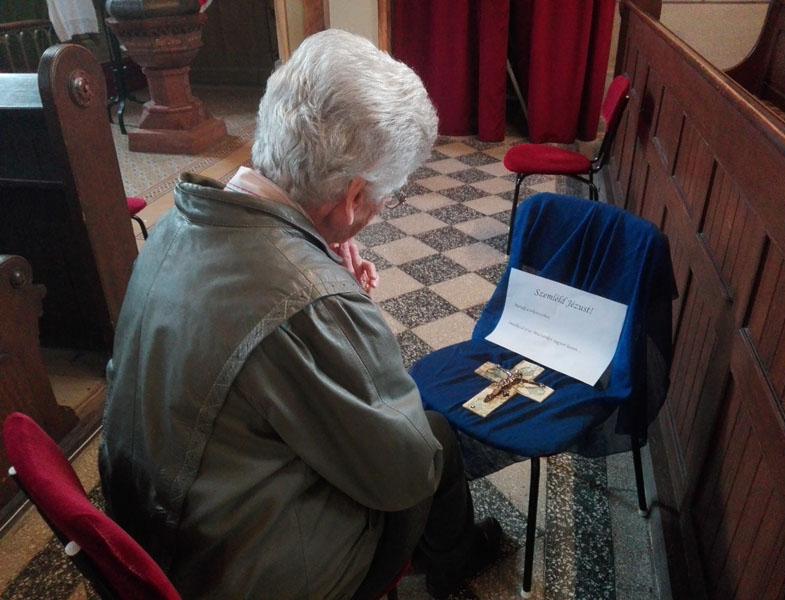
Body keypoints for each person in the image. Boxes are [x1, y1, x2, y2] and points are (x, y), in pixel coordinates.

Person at [100, 29, 501, 600]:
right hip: (232, 570)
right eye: (385, 197)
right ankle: (456, 563)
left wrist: (317, 258)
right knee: (432, 439)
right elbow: (405, 470)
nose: (381, 209)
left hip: (149, 523)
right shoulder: (314, 301)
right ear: (353, 197)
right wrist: (344, 304)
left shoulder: (177, 221)